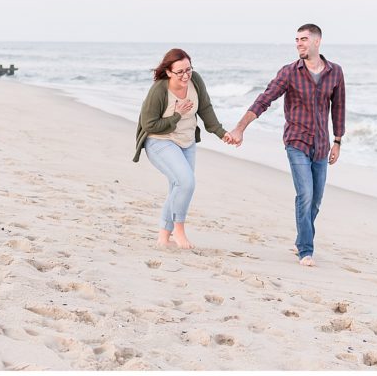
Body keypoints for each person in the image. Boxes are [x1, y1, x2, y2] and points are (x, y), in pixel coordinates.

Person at [225, 24, 345, 266]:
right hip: (296, 141)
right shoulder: (289, 72)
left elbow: (339, 107)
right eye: (297, 40)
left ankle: (302, 236)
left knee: (317, 199)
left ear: (317, 42)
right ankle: (306, 250)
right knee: (305, 194)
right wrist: (240, 128)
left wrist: (338, 141)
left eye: (304, 39)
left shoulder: (335, 72)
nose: (299, 43)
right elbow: (264, 99)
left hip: (321, 145)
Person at [134, 48, 236, 249]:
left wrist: (221, 132)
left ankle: (164, 236)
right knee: (186, 182)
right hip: (159, 141)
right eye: (179, 71)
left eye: (188, 69)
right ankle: (179, 231)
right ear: (169, 72)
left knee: (178, 186)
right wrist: (176, 115)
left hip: (187, 142)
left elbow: (206, 108)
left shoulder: (195, 80)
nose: (185, 75)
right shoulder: (159, 90)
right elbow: (149, 125)